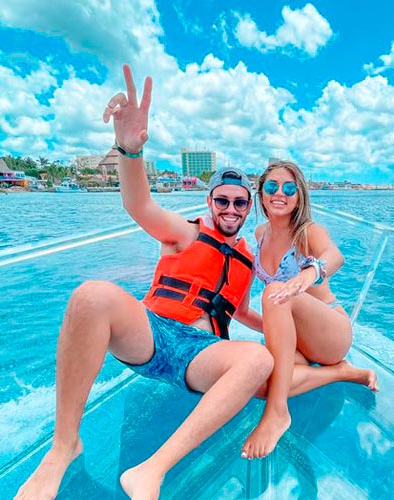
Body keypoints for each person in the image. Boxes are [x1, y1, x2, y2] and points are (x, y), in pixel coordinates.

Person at [14, 64, 273, 500]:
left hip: (201, 355)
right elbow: (140, 205)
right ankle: (63, 448)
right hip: (151, 335)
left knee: (258, 361)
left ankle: (151, 470)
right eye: (223, 200)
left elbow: (242, 312)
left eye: (240, 202)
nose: (231, 208)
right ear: (210, 203)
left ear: (250, 209)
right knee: (91, 295)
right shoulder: (185, 232)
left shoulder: (246, 259)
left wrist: (284, 331)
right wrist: (129, 152)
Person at [241, 160, 378, 460]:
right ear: (261, 194)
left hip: (330, 334)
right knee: (262, 381)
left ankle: (277, 414)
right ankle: (342, 372)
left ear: (299, 196)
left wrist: (308, 274)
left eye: (289, 188)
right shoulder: (260, 234)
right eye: (272, 187)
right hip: (297, 340)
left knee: (275, 292)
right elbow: (243, 310)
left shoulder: (308, 231)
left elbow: (335, 257)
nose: (280, 193)